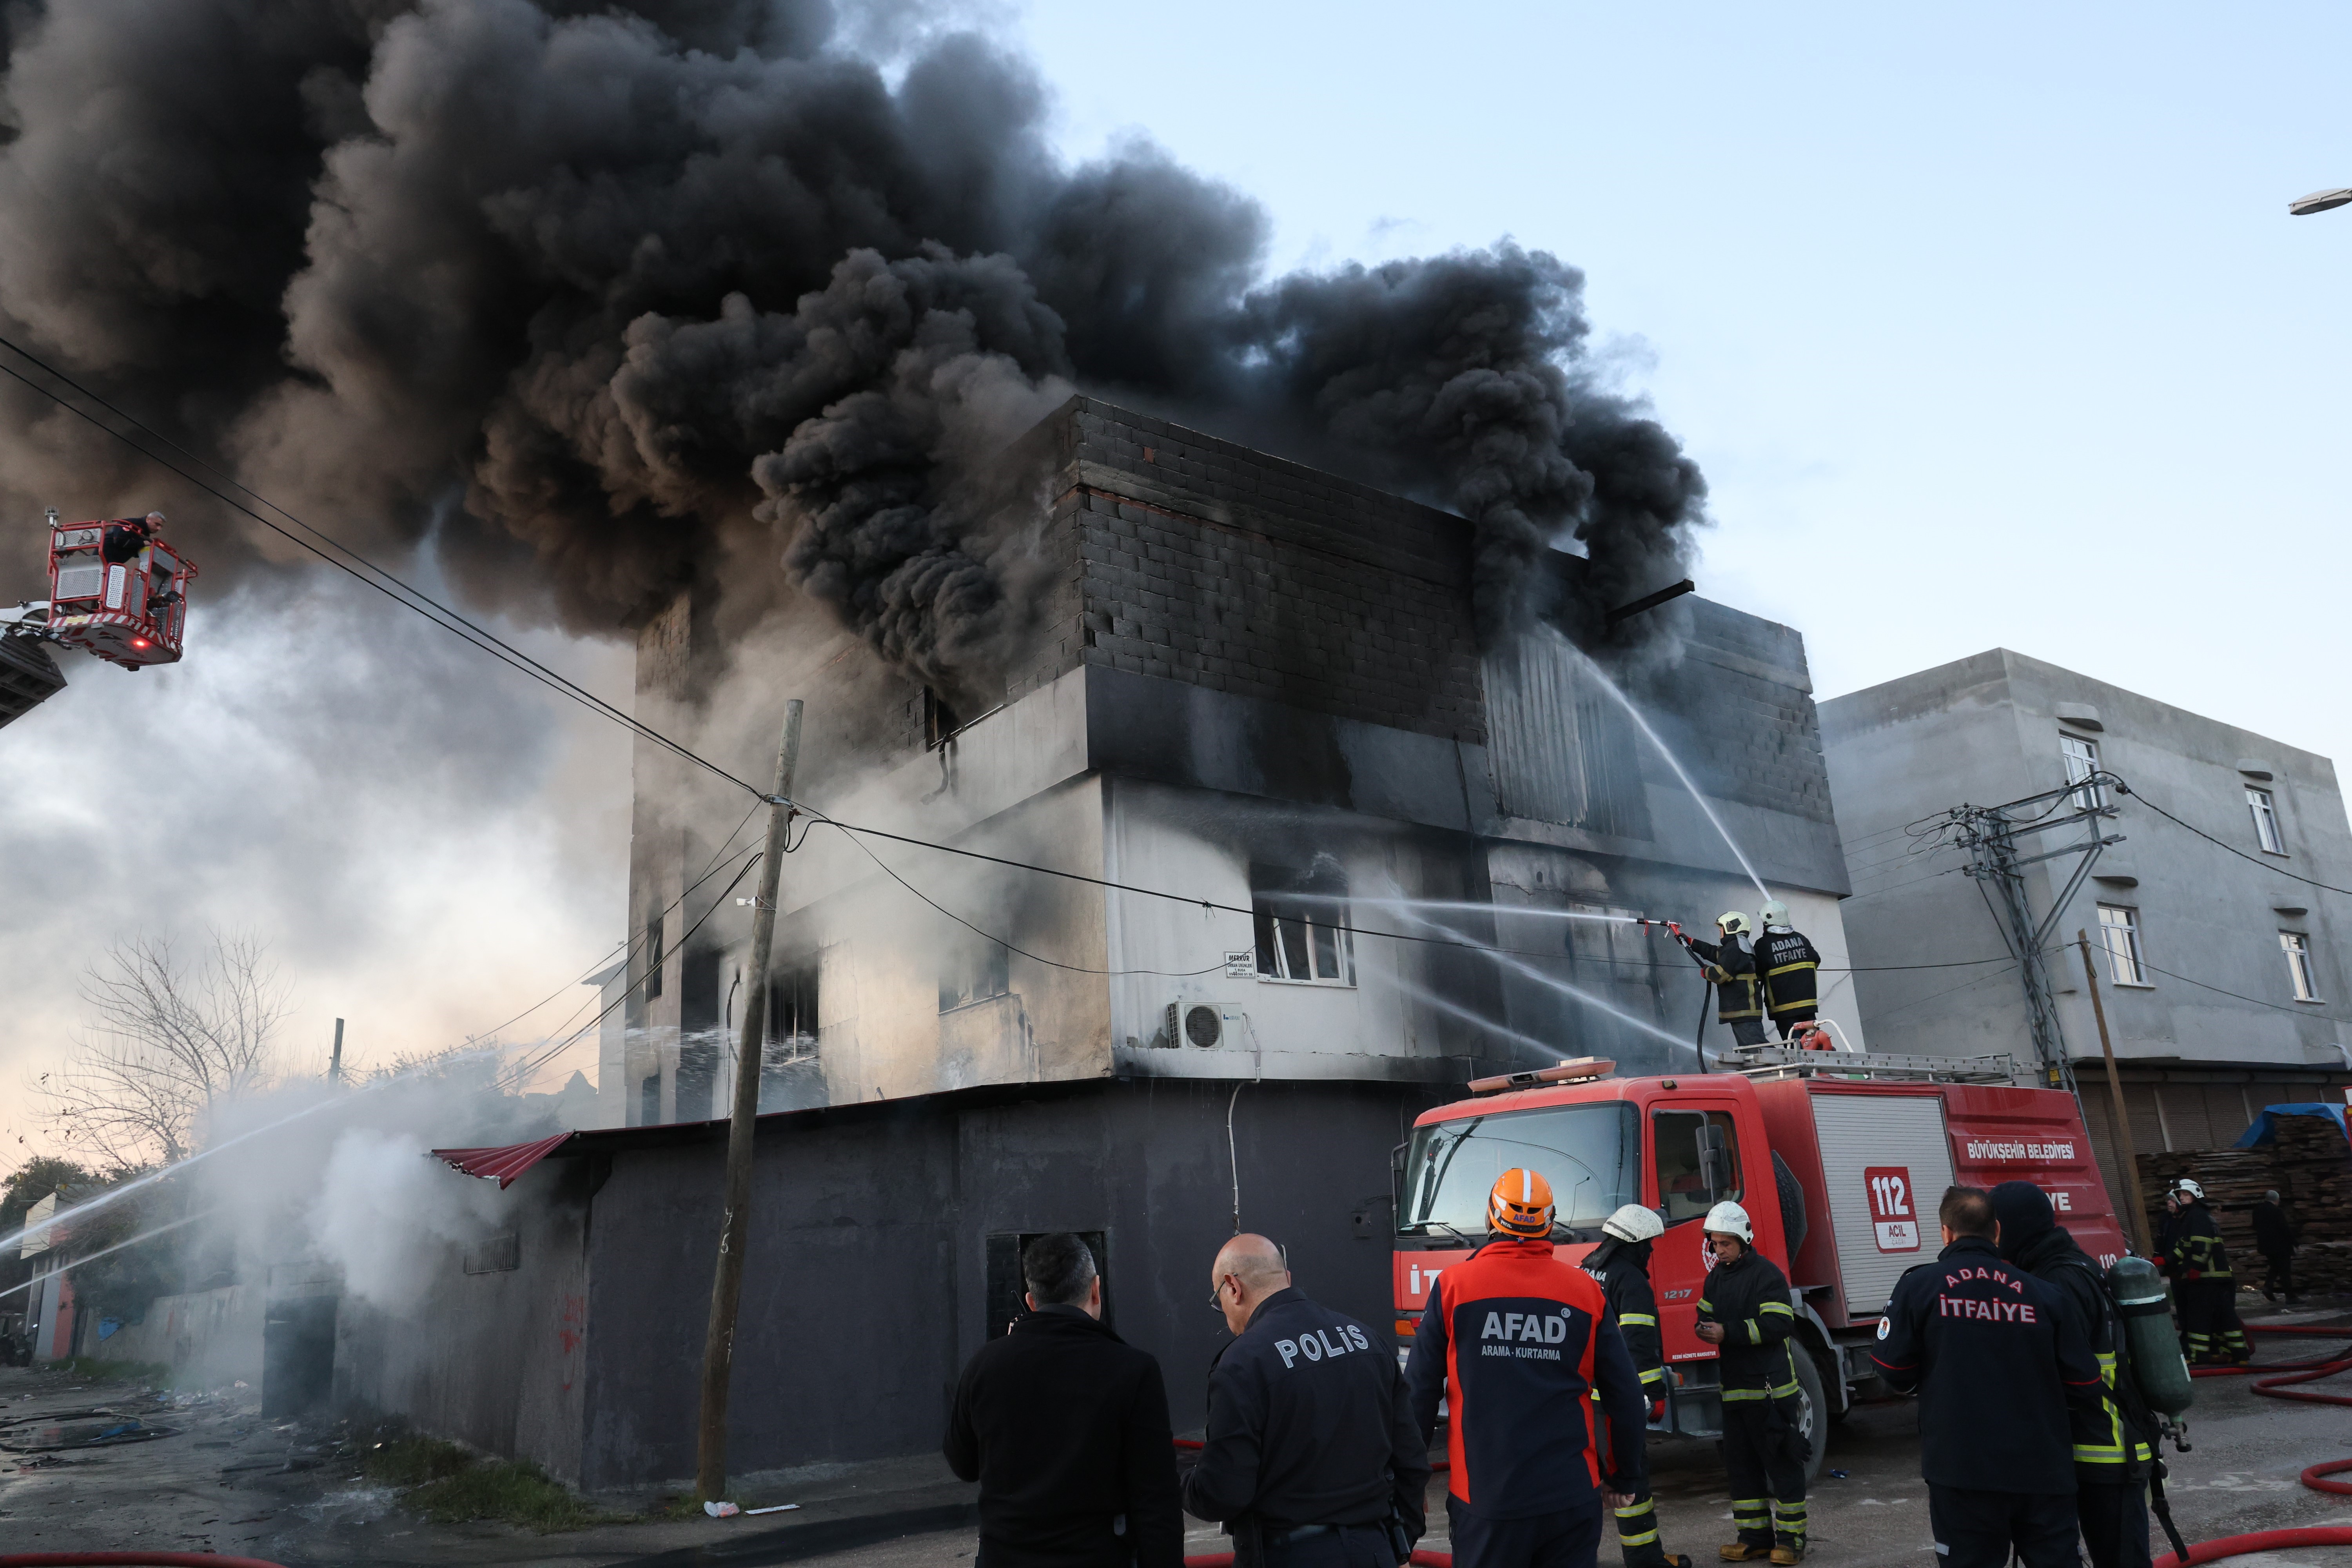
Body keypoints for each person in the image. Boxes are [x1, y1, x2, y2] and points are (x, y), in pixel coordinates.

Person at [1407, 1169, 1648, 1568]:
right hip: (1571, 1497)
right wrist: (1625, 1476)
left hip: (1487, 1501)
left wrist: (1410, 1482)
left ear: (1491, 1218)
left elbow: (1418, 1394)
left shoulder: (1454, 1287)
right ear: (1549, 1224)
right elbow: (1625, 1396)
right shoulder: (1586, 1293)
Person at [1871, 1186, 2104, 1568]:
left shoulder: (1919, 1286)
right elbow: (2085, 1384)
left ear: (1946, 1232)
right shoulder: (2046, 1294)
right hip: (2042, 1469)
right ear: (1996, 1230)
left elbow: (1893, 1371)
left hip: (1962, 1470)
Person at [1185, 1233, 1427, 1567]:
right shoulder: (1368, 1340)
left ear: (1233, 1288)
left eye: (1219, 1300)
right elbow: (1412, 1462)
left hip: (1289, 1554)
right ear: (1286, 1279)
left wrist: (1182, 1480)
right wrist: (1398, 1544)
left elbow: (1223, 1493)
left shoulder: (1241, 1364)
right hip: (1373, 1550)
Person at [944, 1233, 1183, 1568]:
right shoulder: (1133, 1370)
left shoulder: (985, 1365)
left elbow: (963, 1463)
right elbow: (1156, 1497)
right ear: (1096, 1290)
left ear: (1031, 1301)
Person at [1990, 1180, 2154, 1568]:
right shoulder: (2066, 1266)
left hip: (2105, 1452)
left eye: (1994, 1227)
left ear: (2015, 1227)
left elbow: (2064, 1374)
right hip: (2100, 1450)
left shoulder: (2056, 1281)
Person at [1693, 1200, 1806, 1564]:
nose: (1719, 1250)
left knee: (1782, 1466)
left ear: (1743, 1240)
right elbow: (1704, 1311)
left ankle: (1792, 1540)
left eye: (1725, 1243)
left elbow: (1779, 1324)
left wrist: (1729, 1332)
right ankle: (1755, 1536)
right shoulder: (1716, 1278)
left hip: (1772, 1392)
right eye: (1715, 1243)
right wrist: (1703, 1328)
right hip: (1736, 1391)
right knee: (1741, 1468)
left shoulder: (1767, 1275)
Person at [1583, 1204, 1689, 1568]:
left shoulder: (1587, 1268)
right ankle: (1646, 1560)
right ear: (1634, 1243)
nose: (1652, 1251)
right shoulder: (1631, 1282)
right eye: (1649, 1243)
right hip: (1613, 1403)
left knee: (1587, 1480)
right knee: (1630, 1478)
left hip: (1580, 1399)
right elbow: (1638, 1346)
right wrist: (1653, 1395)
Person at [2152, 1180, 2250, 1365]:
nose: (2181, 1198)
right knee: (2224, 1317)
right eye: (2180, 1195)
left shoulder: (2197, 1216)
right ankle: (2239, 1354)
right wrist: (2164, 1260)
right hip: (2217, 1279)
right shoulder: (2193, 1217)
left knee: (2199, 1317)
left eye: (2185, 1195)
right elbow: (2183, 1248)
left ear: (2196, 1196)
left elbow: (2202, 1247)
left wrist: (2195, 1269)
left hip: (2208, 1279)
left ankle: (2200, 1357)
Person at [1684, 914, 1767, 1050]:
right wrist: (1692, 943)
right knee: (1750, 1052)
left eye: (1721, 928)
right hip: (1743, 1010)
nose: (1720, 931)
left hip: (1744, 1010)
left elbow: (1722, 975)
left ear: (1731, 927)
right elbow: (1715, 953)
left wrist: (1706, 972)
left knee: (1757, 1050)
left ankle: (1778, 1070)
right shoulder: (1737, 947)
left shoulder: (1736, 948)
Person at [1751, 902, 1821, 1043]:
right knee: (1814, 1046)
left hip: (1784, 1009)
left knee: (1794, 1049)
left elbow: (1756, 975)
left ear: (1767, 921)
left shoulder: (1763, 945)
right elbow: (1817, 960)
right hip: (1808, 1006)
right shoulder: (1801, 938)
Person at [2252, 1190, 2300, 1304]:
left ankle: (2268, 1287)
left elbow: (2255, 1226)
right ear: (2277, 1200)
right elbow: (2285, 1229)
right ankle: (2290, 1297)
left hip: (2265, 1246)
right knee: (2285, 1271)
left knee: (2275, 1267)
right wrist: (2295, 1243)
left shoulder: (2257, 1211)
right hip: (2280, 1246)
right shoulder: (2277, 1211)